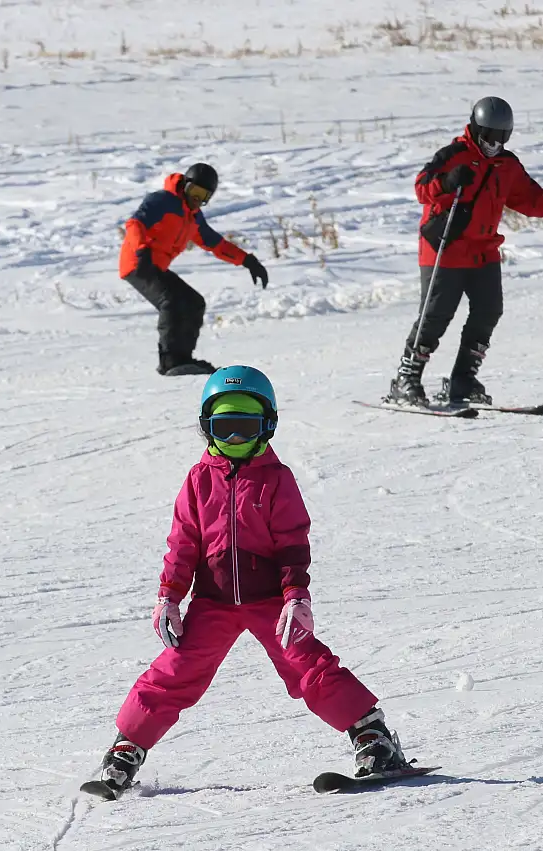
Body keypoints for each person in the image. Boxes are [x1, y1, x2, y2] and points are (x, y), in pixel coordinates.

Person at [92, 365, 411, 795]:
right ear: (207, 428)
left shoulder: (277, 479)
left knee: (309, 667)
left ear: (268, 427)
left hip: (269, 601)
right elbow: (183, 543)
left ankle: (373, 739)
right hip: (212, 603)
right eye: (226, 428)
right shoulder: (197, 480)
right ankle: (126, 750)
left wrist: (297, 596)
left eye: (247, 428)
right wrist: (168, 596)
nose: (237, 440)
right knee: (172, 672)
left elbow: (292, 541)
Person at [387, 96, 543, 407]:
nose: (495, 144)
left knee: (489, 310)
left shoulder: (507, 165)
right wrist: (446, 182)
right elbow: (422, 187)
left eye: (502, 138)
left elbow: (528, 198)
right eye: (489, 136)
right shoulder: (453, 155)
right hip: (445, 248)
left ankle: (462, 379)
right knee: (436, 316)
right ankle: (407, 378)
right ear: (475, 128)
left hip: (483, 252)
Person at [119, 164, 270, 376]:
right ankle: (169, 361)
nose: (196, 199)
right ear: (184, 185)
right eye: (194, 192)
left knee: (194, 302)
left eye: (203, 196)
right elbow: (135, 224)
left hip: (156, 266)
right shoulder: (162, 201)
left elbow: (216, 244)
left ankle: (183, 359)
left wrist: (248, 260)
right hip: (138, 263)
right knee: (170, 301)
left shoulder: (193, 217)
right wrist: (142, 251)